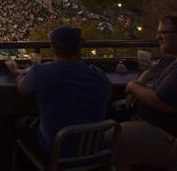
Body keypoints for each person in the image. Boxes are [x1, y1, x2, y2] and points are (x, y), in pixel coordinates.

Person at [15, 26, 111, 157]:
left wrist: (19, 75)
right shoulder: (98, 76)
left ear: (52, 48)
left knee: (20, 123)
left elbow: (22, 91)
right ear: (78, 48)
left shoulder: (40, 72)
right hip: (93, 152)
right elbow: (108, 95)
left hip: (54, 151)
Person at [112, 15, 177, 171]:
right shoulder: (172, 59)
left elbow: (159, 101)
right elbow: (150, 71)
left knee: (111, 140)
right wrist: (139, 85)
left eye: (163, 33)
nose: (157, 37)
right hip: (148, 122)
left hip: (170, 137)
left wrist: (132, 87)